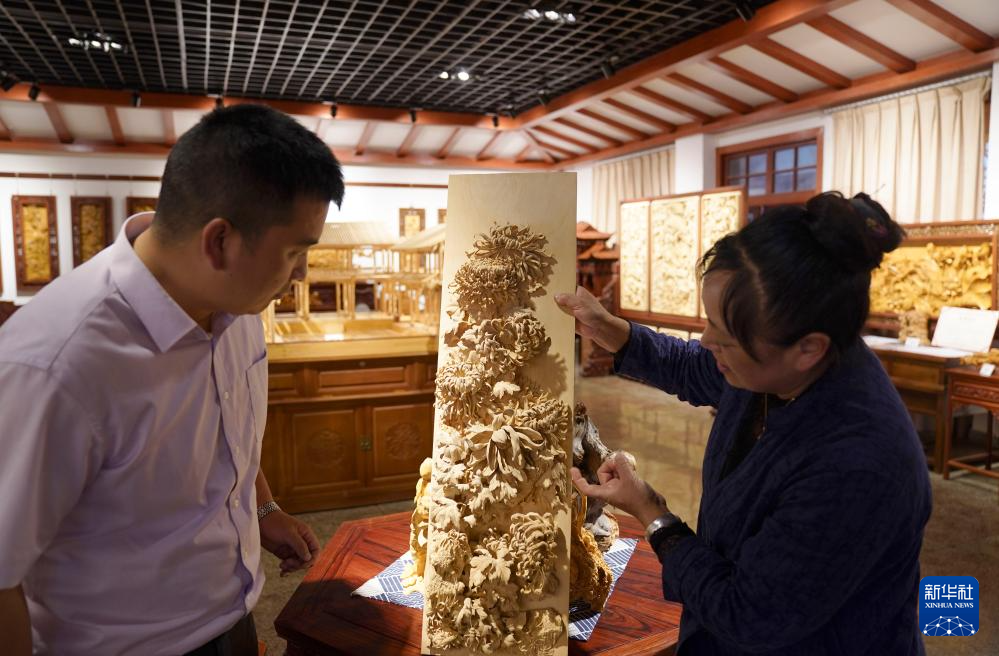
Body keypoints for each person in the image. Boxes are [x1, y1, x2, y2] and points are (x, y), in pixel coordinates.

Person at [0, 104, 344, 655]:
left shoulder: (238, 309)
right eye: (294, 252)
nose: (302, 273)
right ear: (220, 242)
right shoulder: (56, 364)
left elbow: (226, 429)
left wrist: (263, 510)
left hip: (235, 622)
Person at [557, 192, 932, 655]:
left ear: (808, 348)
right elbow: (694, 366)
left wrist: (653, 513)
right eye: (710, 322)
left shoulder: (858, 464)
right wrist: (607, 328)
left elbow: (749, 614)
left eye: (725, 336)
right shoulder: (778, 367)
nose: (706, 341)